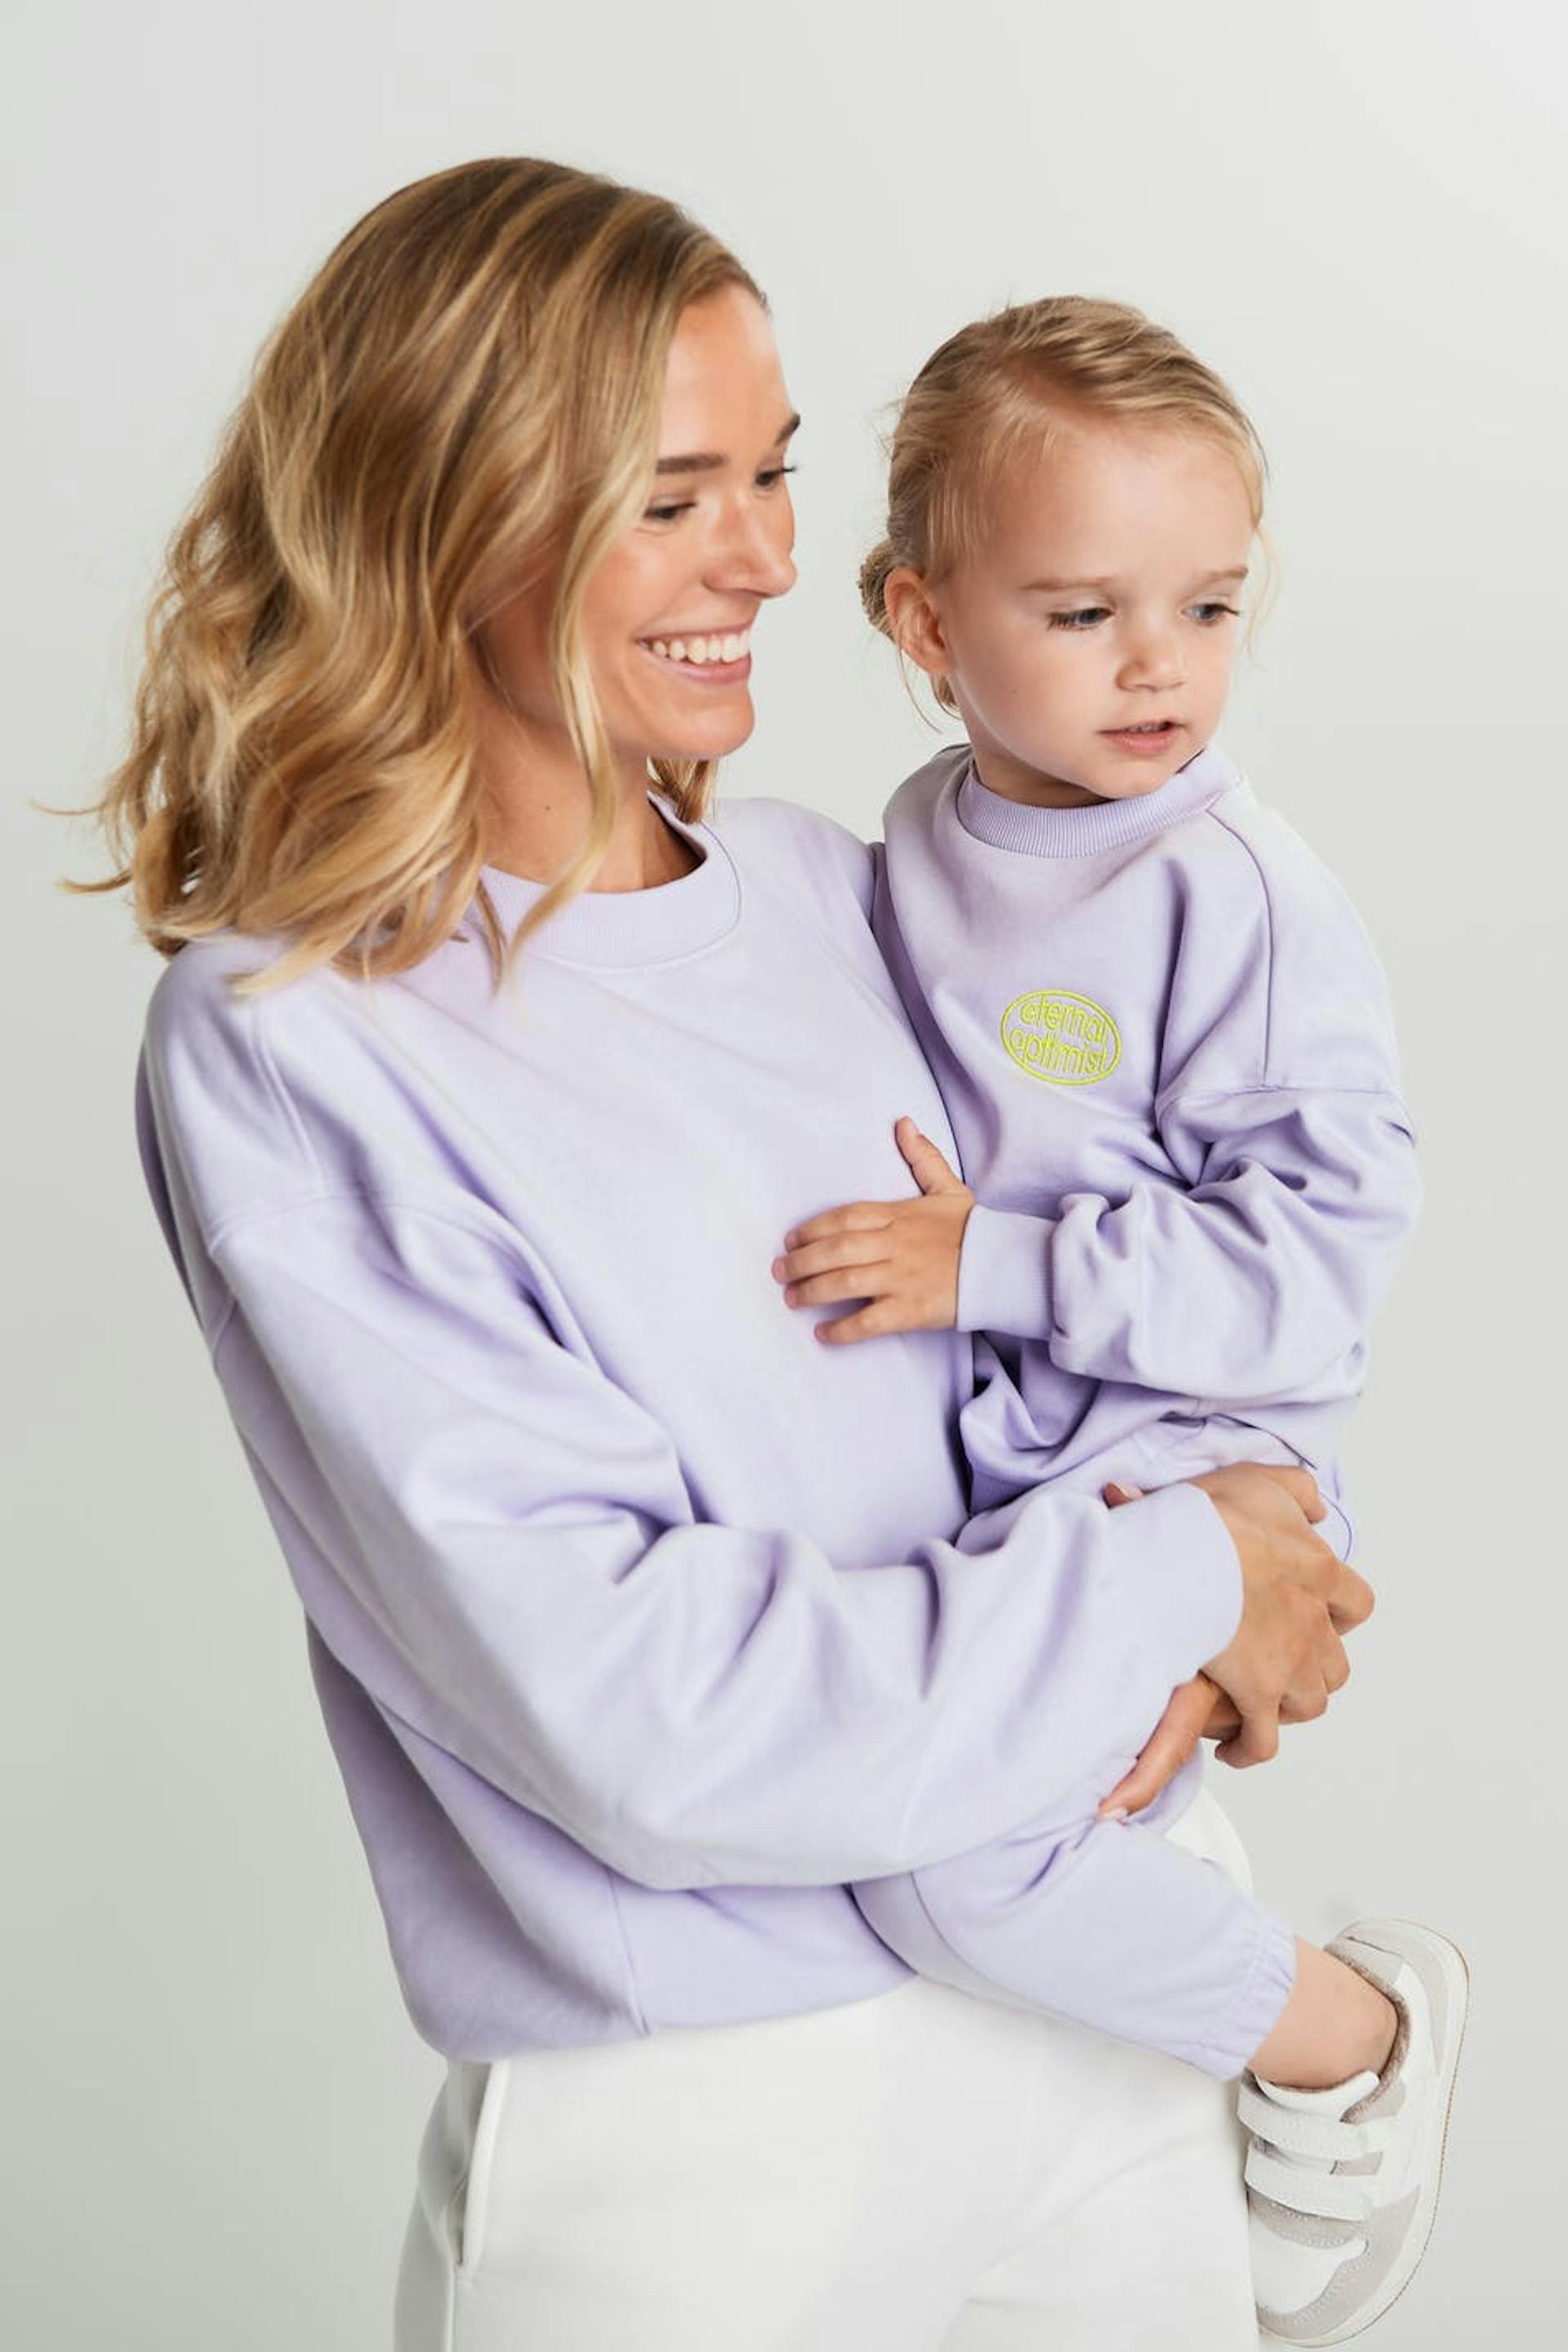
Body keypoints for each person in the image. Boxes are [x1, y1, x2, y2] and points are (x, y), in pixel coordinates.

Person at [75, 158, 1369, 2351]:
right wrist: (1182, 1580)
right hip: (716, 2120)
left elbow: (1129, 1311)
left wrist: (1267, 1528)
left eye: (769, 475)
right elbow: (648, 1721)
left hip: (1110, 1985)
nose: (770, 556)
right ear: (451, 517)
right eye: (676, 497)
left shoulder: (845, 891)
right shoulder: (300, 1038)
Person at [771, 295, 1467, 2344]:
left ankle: (1348, 2045)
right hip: (1017, 1472)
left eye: (1211, 607)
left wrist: (1000, 1266)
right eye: (1084, 613)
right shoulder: (918, 841)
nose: (1160, 664)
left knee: (961, 1866)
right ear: (922, 622)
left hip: (1189, 1450)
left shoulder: (1228, 893)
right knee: (921, 1820)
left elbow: (1318, 1258)